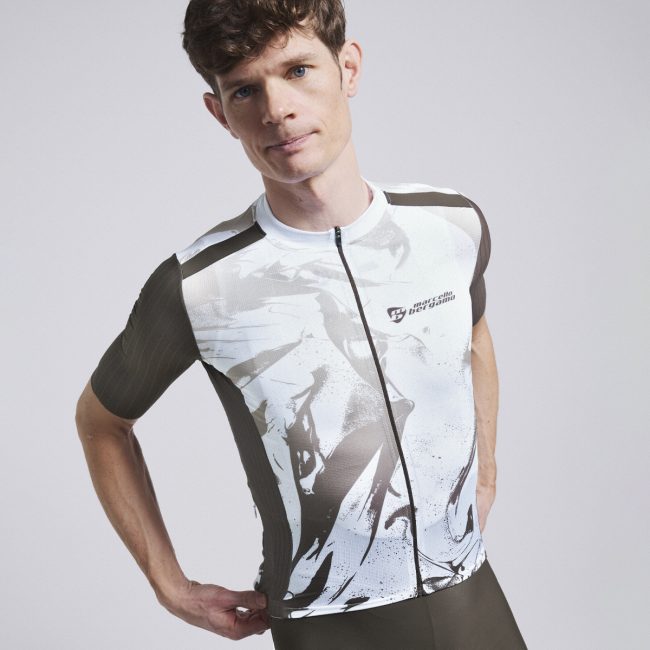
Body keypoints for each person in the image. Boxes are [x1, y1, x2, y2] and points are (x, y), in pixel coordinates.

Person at [75, 0, 528, 647]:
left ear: (348, 68)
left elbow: (473, 334)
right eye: (244, 89)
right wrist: (169, 585)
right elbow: (102, 422)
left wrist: (484, 473)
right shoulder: (200, 287)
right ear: (219, 112)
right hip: (325, 626)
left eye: (297, 71)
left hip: (470, 601)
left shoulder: (450, 226)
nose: (276, 108)